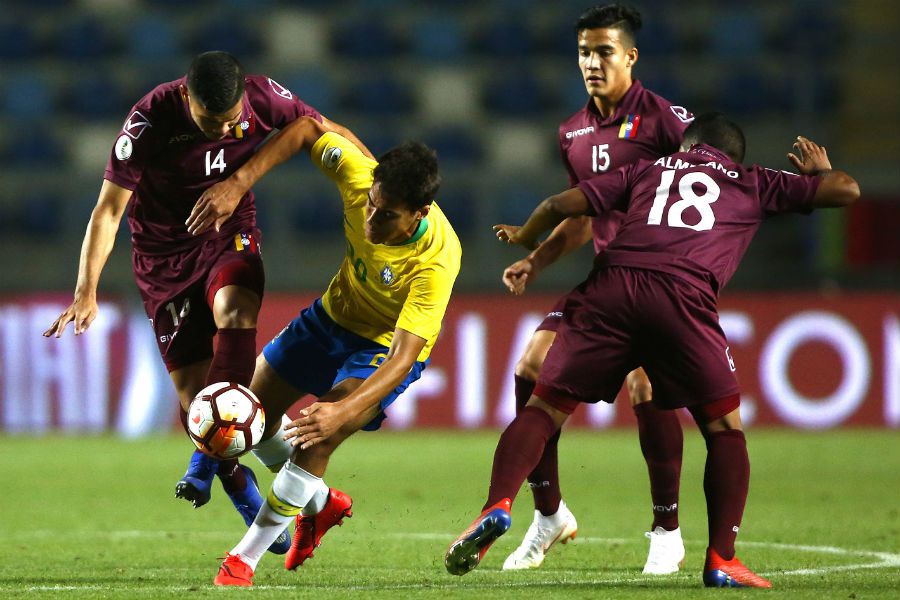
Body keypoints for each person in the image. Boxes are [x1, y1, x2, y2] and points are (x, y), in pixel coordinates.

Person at [446, 114, 859, 588]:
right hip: (683, 298)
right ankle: (722, 558)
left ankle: (497, 505)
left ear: (687, 145)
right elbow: (847, 191)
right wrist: (821, 172)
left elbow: (560, 202)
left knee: (544, 406)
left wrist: (526, 235)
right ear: (733, 155)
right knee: (724, 429)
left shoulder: (649, 169)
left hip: (613, 286)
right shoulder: (753, 181)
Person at [43, 51, 371, 554]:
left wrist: (381, 185)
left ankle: (204, 466)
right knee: (197, 401)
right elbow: (108, 210)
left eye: (230, 120)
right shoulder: (149, 120)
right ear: (184, 97)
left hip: (228, 234)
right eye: (209, 121)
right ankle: (259, 488)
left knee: (236, 313)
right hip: (162, 258)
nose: (222, 130)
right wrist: (85, 289)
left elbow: (322, 129)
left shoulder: (262, 97)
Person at [192, 116, 461, 587]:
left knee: (320, 432)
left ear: (420, 212)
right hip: (331, 317)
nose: (371, 219)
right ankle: (319, 504)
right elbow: (305, 129)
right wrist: (238, 183)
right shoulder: (361, 178)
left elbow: (401, 356)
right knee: (250, 415)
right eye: (372, 205)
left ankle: (243, 560)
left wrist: (345, 412)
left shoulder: (437, 260)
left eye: (387, 214)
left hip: (382, 347)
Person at [494, 4, 694, 574]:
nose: (591, 62)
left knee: (644, 384)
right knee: (531, 364)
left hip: (666, 281)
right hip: (607, 282)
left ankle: (667, 530)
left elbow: (718, 185)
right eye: (584, 51)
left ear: (631, 56)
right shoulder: (573, 132)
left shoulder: (668, 123)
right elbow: (583, 216)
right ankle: (549, 513)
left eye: (604, 51)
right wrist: (536, 259)